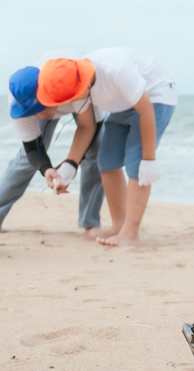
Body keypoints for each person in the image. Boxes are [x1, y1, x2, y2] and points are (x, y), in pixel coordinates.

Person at [35, 48, 176, 247]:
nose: (71, 102)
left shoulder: (116, 70)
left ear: (82, 84)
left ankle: (131, 234)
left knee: (137, 163)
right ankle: (119, 226)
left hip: (155, 97)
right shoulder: (75, 82)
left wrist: (149, 159)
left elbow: (146, 111)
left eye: (71, 97)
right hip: (122, 104)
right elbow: (87, 126)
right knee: (107, 161)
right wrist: (70, 165)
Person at [0, 55, 106, 236]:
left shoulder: (73, 84)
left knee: (95, 151)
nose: (38, 115)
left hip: (74, 93)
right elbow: (32, 148)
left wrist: (71, 164)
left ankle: (90, 223)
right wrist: (46, 169)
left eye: (39, 108)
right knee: (25, 160)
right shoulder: (18, 99)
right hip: (51, 97)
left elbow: (89, 128)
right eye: (31, 111)